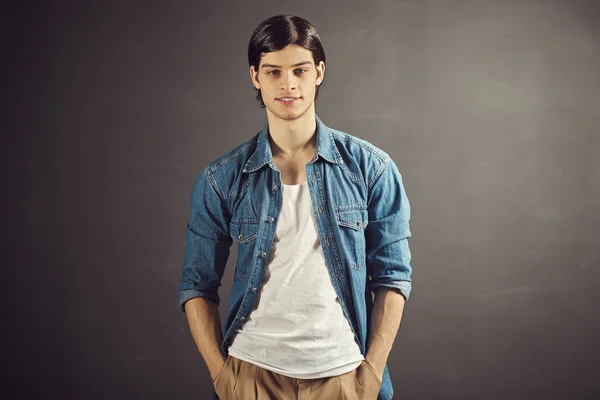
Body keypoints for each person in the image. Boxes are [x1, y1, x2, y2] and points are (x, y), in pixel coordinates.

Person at [178, 14, 412, 400]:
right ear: (255, 76)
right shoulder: (223, 178)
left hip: (344, 375)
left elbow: (393, 278)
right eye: (273, 72)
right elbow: (196, 285)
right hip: (252, 373)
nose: (287, 84)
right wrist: (224, 378)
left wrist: (370, 374)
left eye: (299, 70)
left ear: (318, 72)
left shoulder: (372, 170)